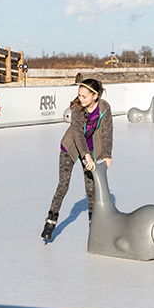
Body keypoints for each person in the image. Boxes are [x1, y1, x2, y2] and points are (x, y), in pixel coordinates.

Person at [41, 79, 112, 242]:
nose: (81, 99)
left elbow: (108, 132)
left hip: (91, 148)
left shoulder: (104, 108)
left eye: (85, 96)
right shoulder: (77, 109)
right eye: (79, 95)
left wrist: (107, 154)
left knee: (91, 188)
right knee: (63, 184)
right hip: (70, 148)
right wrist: (86, 155)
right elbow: (78, 136)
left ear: (95, 96)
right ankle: (50, 221)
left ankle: (94, 226)